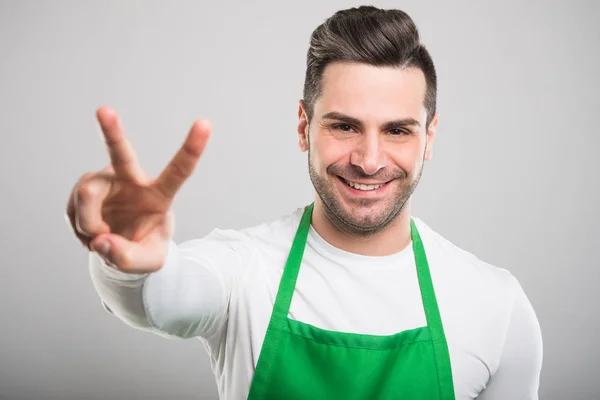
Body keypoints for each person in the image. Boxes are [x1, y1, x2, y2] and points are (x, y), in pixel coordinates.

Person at [65, 5, 543, 400]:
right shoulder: (243, 272)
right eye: (344, 126)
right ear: (303, 127)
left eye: (397, 131)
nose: (370, 161)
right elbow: (158, 300)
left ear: (429, 136)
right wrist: (127, 258)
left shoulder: (495, 306)